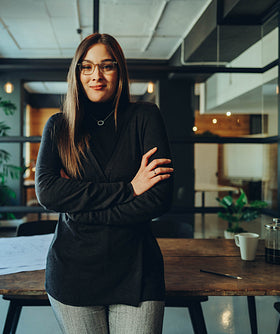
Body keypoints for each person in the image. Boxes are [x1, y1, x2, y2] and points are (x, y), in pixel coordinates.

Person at [35, 33, 174, 334]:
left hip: (137, 271)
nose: (96, 75)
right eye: (87, 67)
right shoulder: (59, 127)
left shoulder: (145, 117)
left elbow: (159, 198)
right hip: (73, 272)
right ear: (77, 73)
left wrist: (77, 208)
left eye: (106, 66)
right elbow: (48, 192)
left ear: (119, 71)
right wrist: (130, 189)